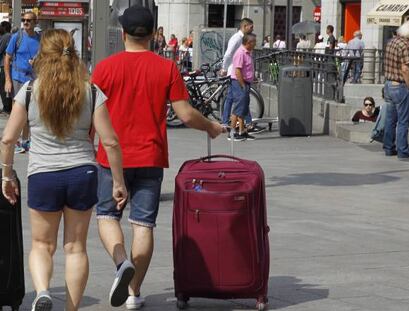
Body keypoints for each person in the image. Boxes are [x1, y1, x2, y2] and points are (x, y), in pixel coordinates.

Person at [91, 6, 224, 310]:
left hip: (111, 158)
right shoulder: (166, 68)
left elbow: (90, 115)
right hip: (150, 157)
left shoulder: (104, 69)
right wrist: (211, 127)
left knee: (107, 217)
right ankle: (133, 293)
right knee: (143, 225)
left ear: (122, 33)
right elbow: (186, 114)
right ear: (153, 35)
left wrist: (87, 143)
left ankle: (121, 261)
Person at [0, 29, 127, 311]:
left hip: (43, 174)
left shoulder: (31, 91)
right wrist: (118, 181)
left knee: (42, 245)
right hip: (82, 173)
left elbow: (8, 138)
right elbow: (111, 141)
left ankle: (43, 292)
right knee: (76, 247)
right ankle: (71, 307)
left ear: (42, 56)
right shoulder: (91, 91)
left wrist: (6, 175)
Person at [4, 11, 41, 153]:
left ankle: (25, 141)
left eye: (29, 20)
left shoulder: (40, 39)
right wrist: (8, 80)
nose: (25, 23)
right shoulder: (16, 37)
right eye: (24, 20)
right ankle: (13, 139)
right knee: (17, 111)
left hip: (33, 79)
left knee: (30, 111)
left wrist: (37, 61)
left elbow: (45, 57)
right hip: (17, 78)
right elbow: (7, 58)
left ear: (35, 22)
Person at [221, 18, 264, 134]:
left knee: (238, 100)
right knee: (237, 100)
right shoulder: (237, 38)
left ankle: (242, 126)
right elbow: (228, 54)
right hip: (234, 73)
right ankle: (232, 126)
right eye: (251, 27)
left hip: (239, 74)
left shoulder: (245, 40)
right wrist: (224, 68)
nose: (253, 29)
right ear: (245, 26)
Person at [383, 19, 409, 159]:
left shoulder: (391, 41)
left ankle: (389, 147)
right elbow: (405, 68)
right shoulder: (405, 45)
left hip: (389, 84)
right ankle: (403, 150)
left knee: (390, 119)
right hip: (400, 86)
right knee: (404, 120)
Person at [229, 33, 257, 141]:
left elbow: (247, 69)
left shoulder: (248, 53)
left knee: (243, 108)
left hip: (245, 82)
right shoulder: (240, 53)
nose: (255, 44)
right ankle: (232, 132)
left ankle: (242, 131)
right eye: (254, 42)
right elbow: (237, 70)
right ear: (248, 42)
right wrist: (242, 85)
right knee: (238, 107)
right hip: (239, 82)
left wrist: (252, 79)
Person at [0, 21, 12, 114]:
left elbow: (0, 49)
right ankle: (8, 107)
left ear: (4, 27)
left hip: (4, 65)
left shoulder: (6, 36)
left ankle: (6, 108)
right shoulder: (10, 36)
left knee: (3, 87)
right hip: (8, 65)